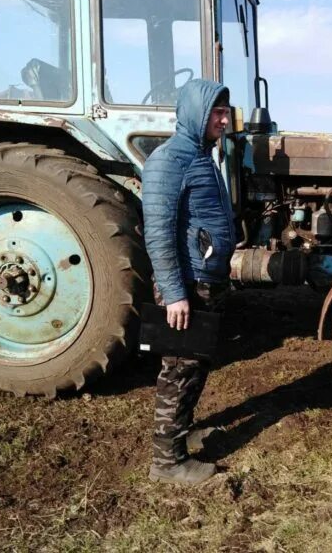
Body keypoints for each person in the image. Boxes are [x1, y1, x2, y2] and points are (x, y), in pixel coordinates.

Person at [142, 79, 236, 484]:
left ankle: (184, 432)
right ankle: (167, 462)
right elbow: (158, 233)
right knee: (179, 370)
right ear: (196, 113)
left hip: (206, 280)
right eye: (216, 111)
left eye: (225, 111)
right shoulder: (169, 161)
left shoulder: (201, 156)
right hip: (187, 285)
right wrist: (176, 294)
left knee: (196, 365)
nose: (224, 118)